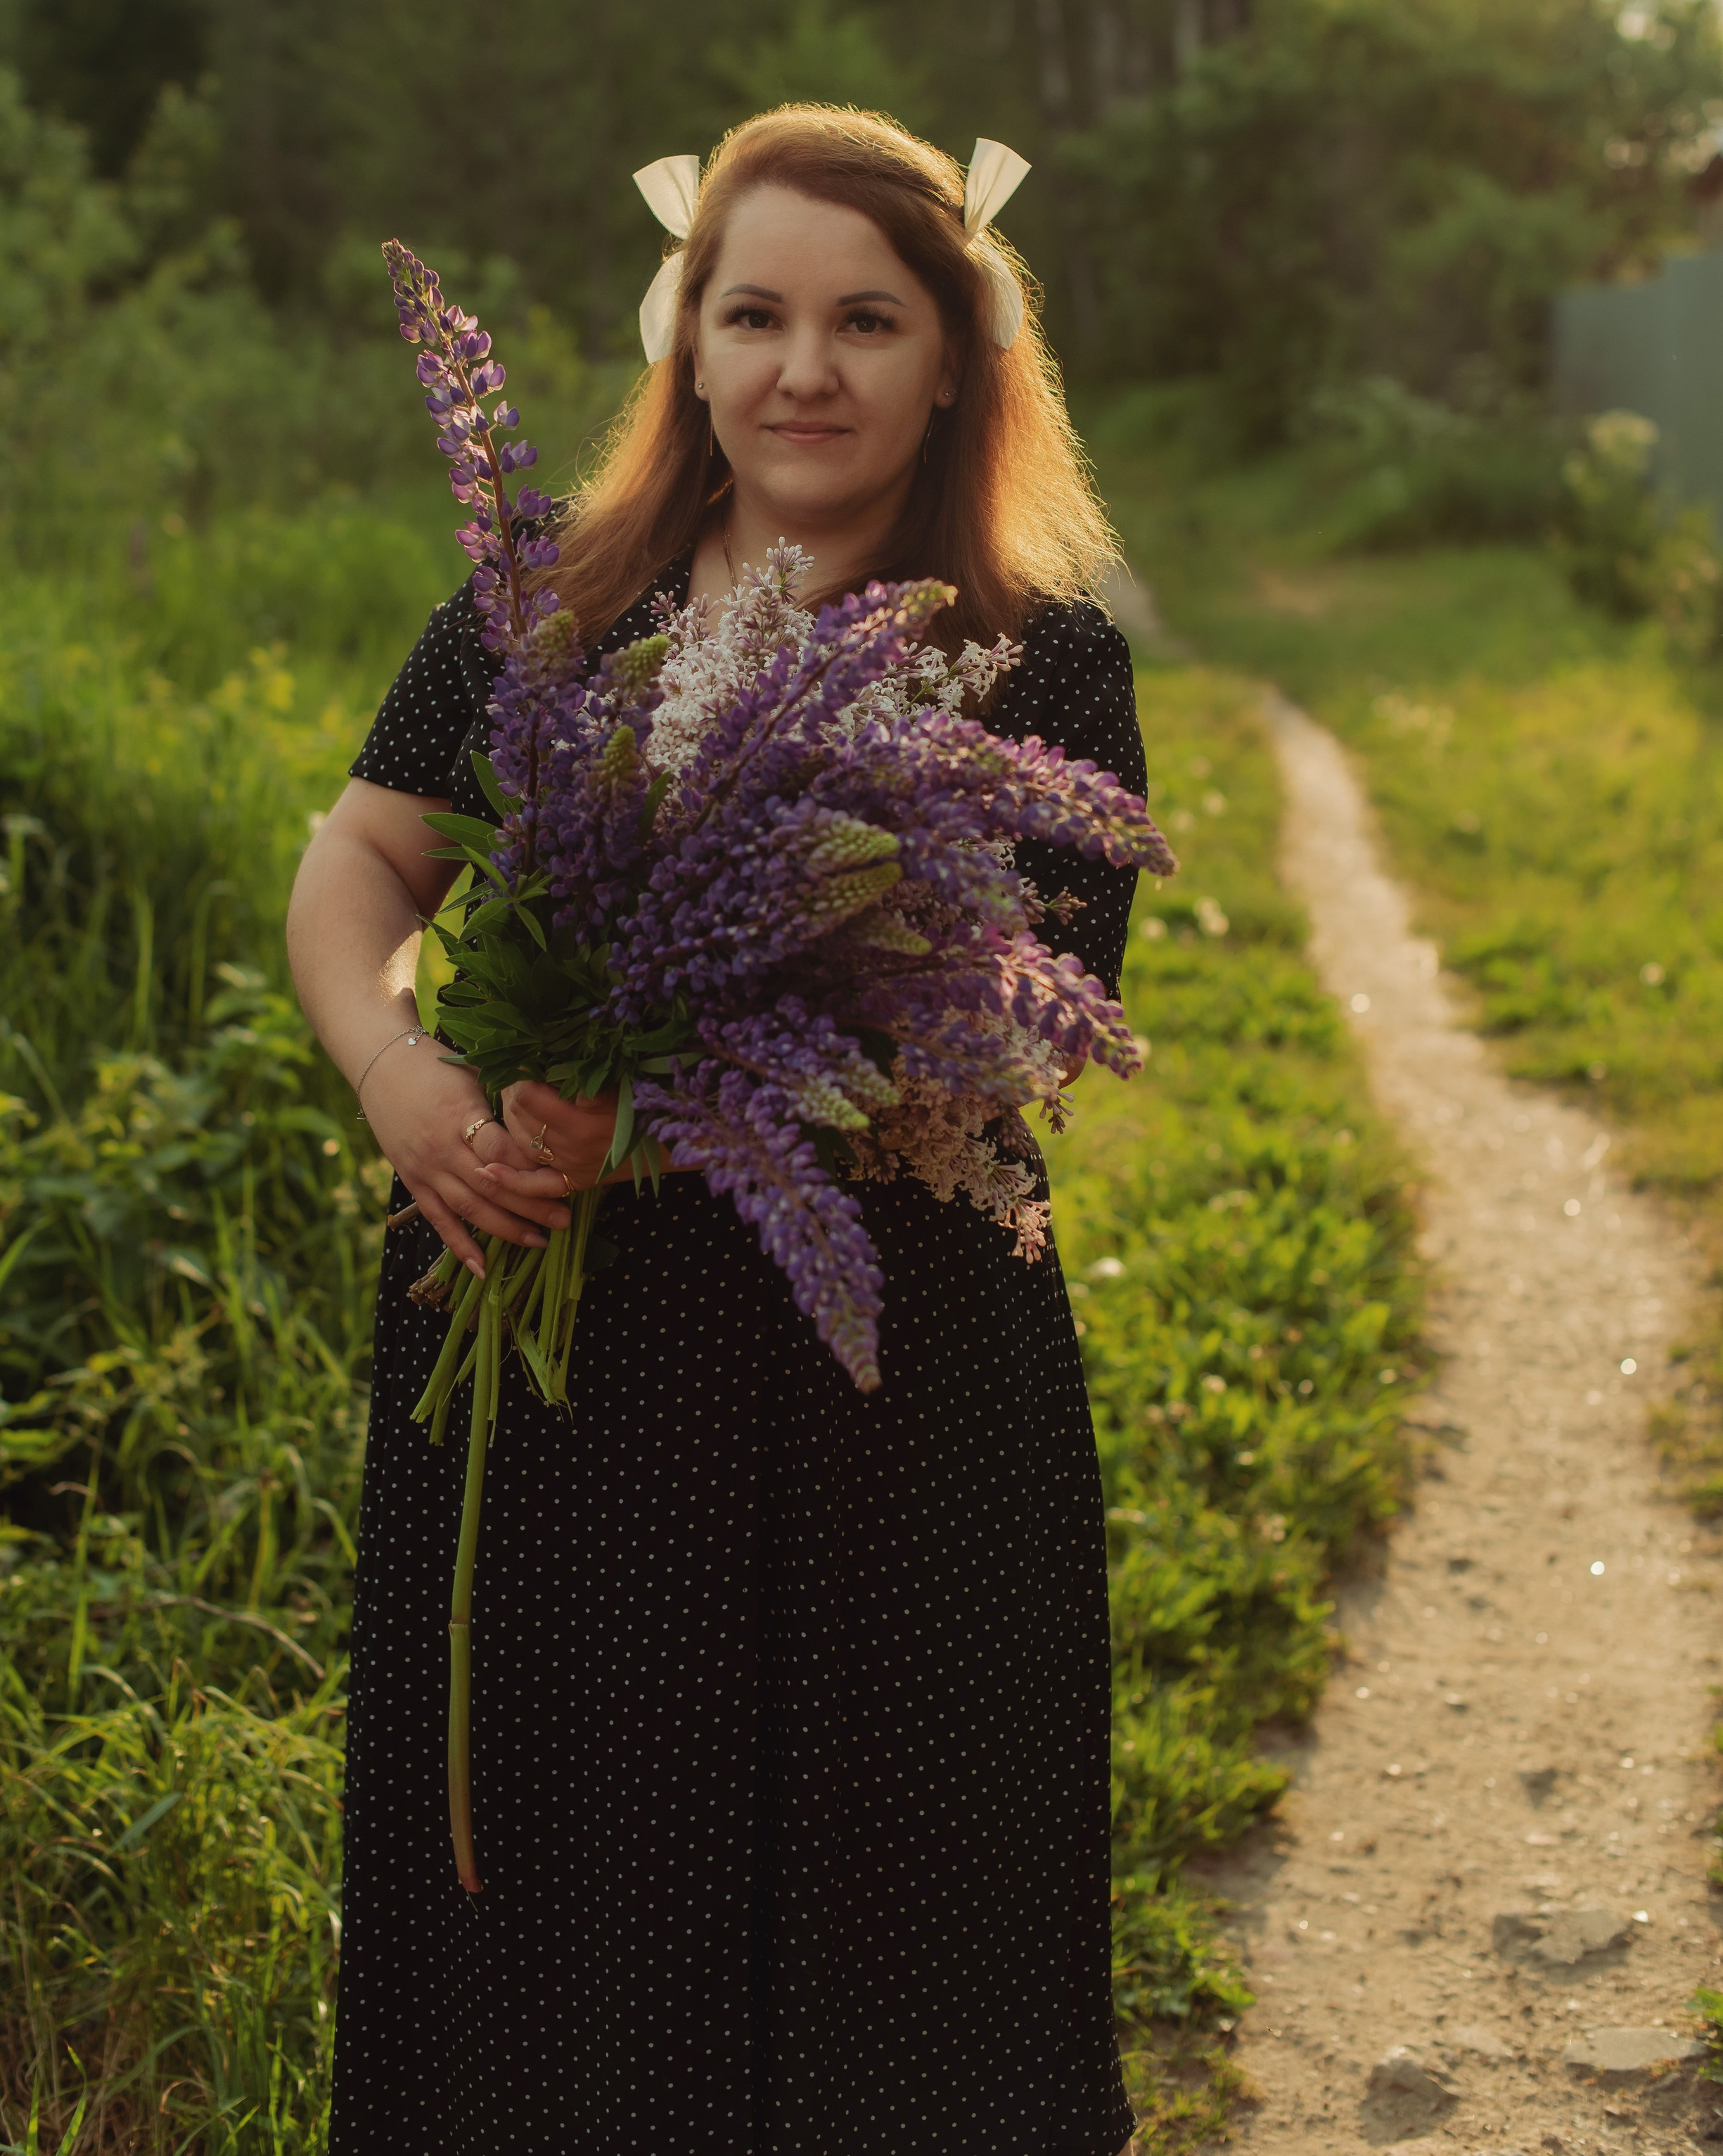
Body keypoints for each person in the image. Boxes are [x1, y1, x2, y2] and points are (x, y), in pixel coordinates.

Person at [288, 105, 1144, 2155]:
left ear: (957, 353)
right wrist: (410, 1081)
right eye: (753, 313)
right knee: (564, 1899)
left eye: (866, 319)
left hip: (896, 1392)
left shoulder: (1046, 667)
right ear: (688, 345)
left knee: (907, 1905)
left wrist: (650, 1110)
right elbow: (358, 873)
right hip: (571, 1386)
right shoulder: (549, 606)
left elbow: (1005, 1035)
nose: (804, 367)